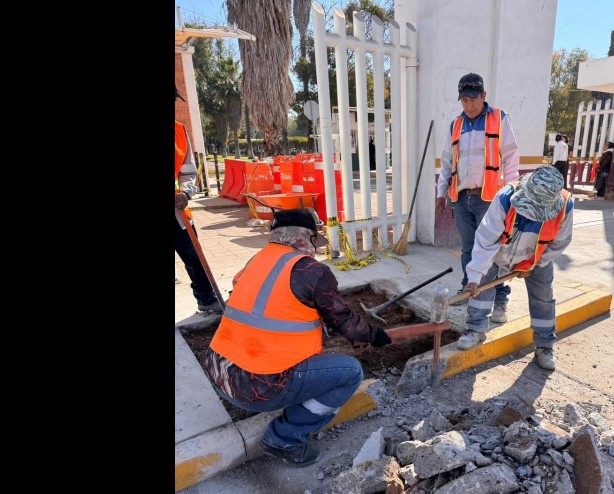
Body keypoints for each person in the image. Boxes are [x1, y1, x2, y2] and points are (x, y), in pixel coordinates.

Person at [203, 208, 392, 467]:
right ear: (307, 237)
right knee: (351, 373)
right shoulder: (312, 271)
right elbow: (343, 320)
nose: (316, 247)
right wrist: (374, 335)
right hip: (257, 387)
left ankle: (253, 410)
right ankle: (285, 438)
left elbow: (265, 310)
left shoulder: (257, 260)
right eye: (315, 240)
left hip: (220, 373)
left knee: (261, 349)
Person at [456, 165, 574, 371]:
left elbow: (559, 243)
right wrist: (474, 277)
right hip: (498, 255)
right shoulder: (505, 198)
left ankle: (544, 346)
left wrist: (534, 264)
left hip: (538, 259)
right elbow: (485, 240)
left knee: (543, 299)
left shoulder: (565, 207)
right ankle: (475, 329)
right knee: (481, 287)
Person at [436, 72, 520, 322]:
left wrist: (512, 191)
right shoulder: (455, 125)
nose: (469, 105)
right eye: (464, 100)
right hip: (462, 199)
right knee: (468, 249)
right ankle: (469, 289)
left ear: (483, 96)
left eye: (473, 99)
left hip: (490, 200)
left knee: (493, 251)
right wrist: (441, 192)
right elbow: (447, 161)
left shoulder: (499, 119)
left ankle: (500, 300)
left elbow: (511, 157)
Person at [175, 85, 223, 313]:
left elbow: (188, 171)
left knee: (194, 257)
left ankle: (207, 300)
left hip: (177, 211)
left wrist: (186, 193)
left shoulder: (178, 131)